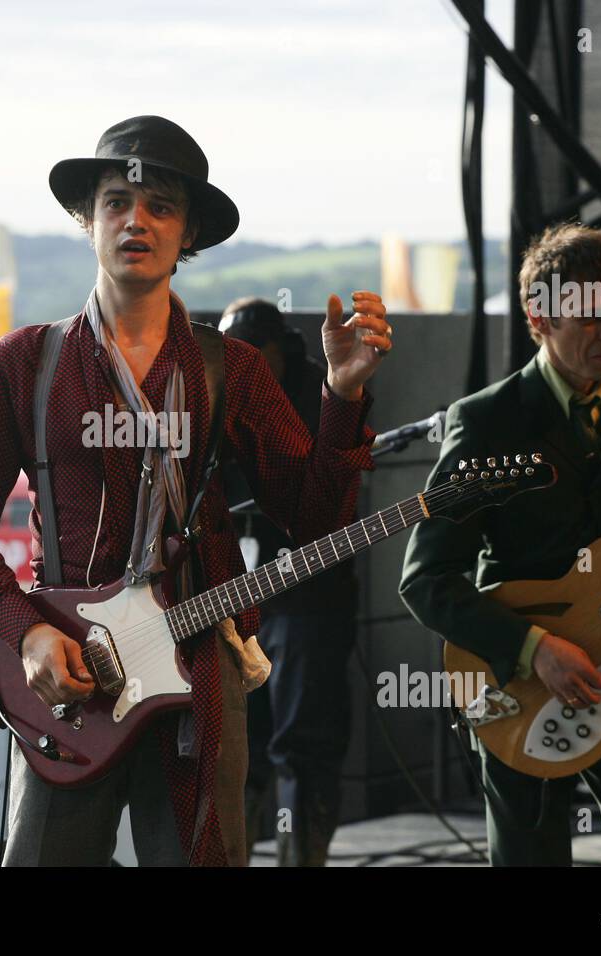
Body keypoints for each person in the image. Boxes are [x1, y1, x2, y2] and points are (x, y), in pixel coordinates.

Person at [0, 115, 392, 866]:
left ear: (189, 233)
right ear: (87, 219)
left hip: (200, 677)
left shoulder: (230, 369)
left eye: (161, 206)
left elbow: (313, 517)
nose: (135, 219)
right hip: (69, 679)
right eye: (116, 201)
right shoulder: (21, 363)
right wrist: (27, 629)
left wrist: (340, 397)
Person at [399, 222, 601, 866]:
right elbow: (426, 579)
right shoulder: (484, 420)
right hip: (522, 696)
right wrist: (534, 650)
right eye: (588, 317)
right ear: (538, 318)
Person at [218, 297, 359, 866]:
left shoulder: (317, 391)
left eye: (253, 358)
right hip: (243, 593)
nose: (243, 369)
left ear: (278, 351)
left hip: (307, 596)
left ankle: (302, 859)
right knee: (238, 744)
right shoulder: (221, 394)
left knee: (302, 743)